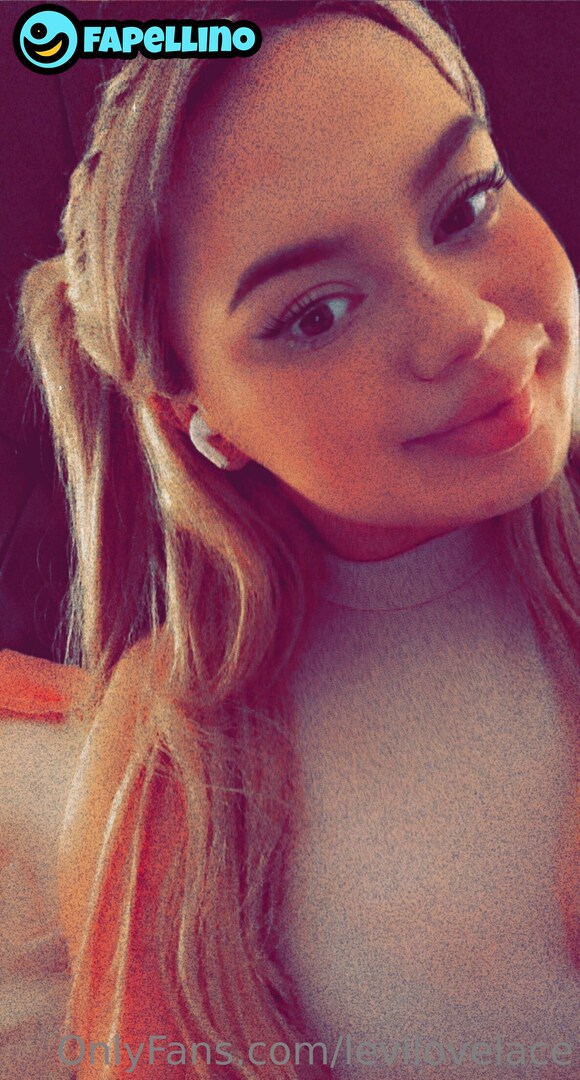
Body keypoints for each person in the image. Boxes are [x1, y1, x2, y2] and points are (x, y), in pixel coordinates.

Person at [11, 1, 580, 1077]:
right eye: (315, 313)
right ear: (201, 420)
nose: (463, 323)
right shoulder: (174, 757)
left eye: (467, 203)